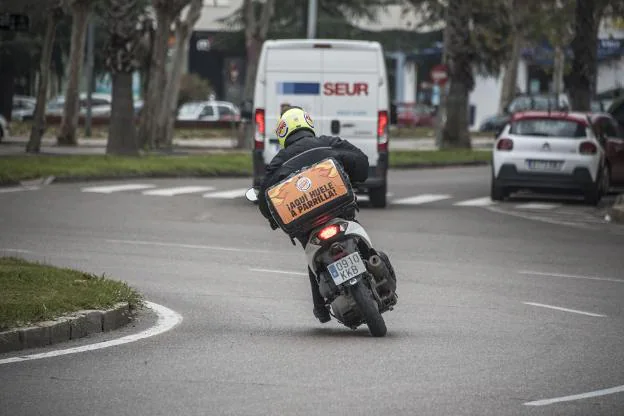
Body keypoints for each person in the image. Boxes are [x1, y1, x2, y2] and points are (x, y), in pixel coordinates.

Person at [257, 106, 370, 323]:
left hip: (307, 225)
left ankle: (320, 308)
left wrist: (271, 218)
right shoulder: (329, 142)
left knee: (313, 256)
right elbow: (361, 162)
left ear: (283, 134)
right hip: (341, 210)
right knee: (334, 241)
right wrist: (355, 174)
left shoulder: (278, 162)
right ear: (308, 124)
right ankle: (371, 259)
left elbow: (264, 199)